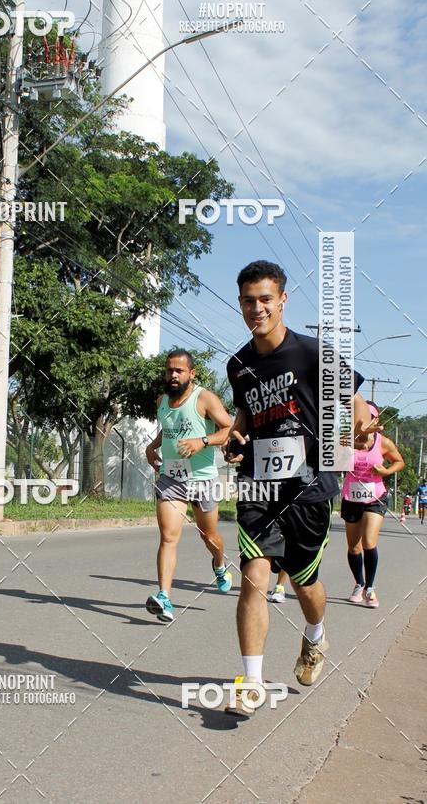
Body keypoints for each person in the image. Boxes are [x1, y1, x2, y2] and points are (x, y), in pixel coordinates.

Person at [224, 260, 374, 704]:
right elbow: (245, 416)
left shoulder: (312, 353)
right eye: (249, 301)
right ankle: (251, 681)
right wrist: (236, 436)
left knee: (305, 582)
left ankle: (315, 634)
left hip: (309, 488)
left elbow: (357, 406)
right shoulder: (238, 364)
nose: (257, 309)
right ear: (240, 304)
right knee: (254, 574)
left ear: (282, 300)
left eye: (266, 299)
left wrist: (356, 426)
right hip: (258, 484)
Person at [144, 349, 234, 622]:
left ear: (191, 373)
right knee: (169, 537)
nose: (173, 375)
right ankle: (165, 597)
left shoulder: (204, 398)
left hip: (203, 479)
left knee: (210, 536)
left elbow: (229, 428)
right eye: (170, 370)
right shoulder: (162, 400)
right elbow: (169, 428)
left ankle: (219, 564)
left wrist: (202, 441)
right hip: (171, 478)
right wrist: (152, 446)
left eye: (179, 371)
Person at [341, 402, 404, 608]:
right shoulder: (345, 440)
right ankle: (359, 583)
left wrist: (386, 472)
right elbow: (331, 458)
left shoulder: (383, 442)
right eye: (357, 415)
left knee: (369, 541)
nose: (360, 419)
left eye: (366, 415)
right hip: (351, 497)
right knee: (353, 546)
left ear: (375, 420)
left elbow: (399, 461)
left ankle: (370, 588)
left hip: (375, 497)